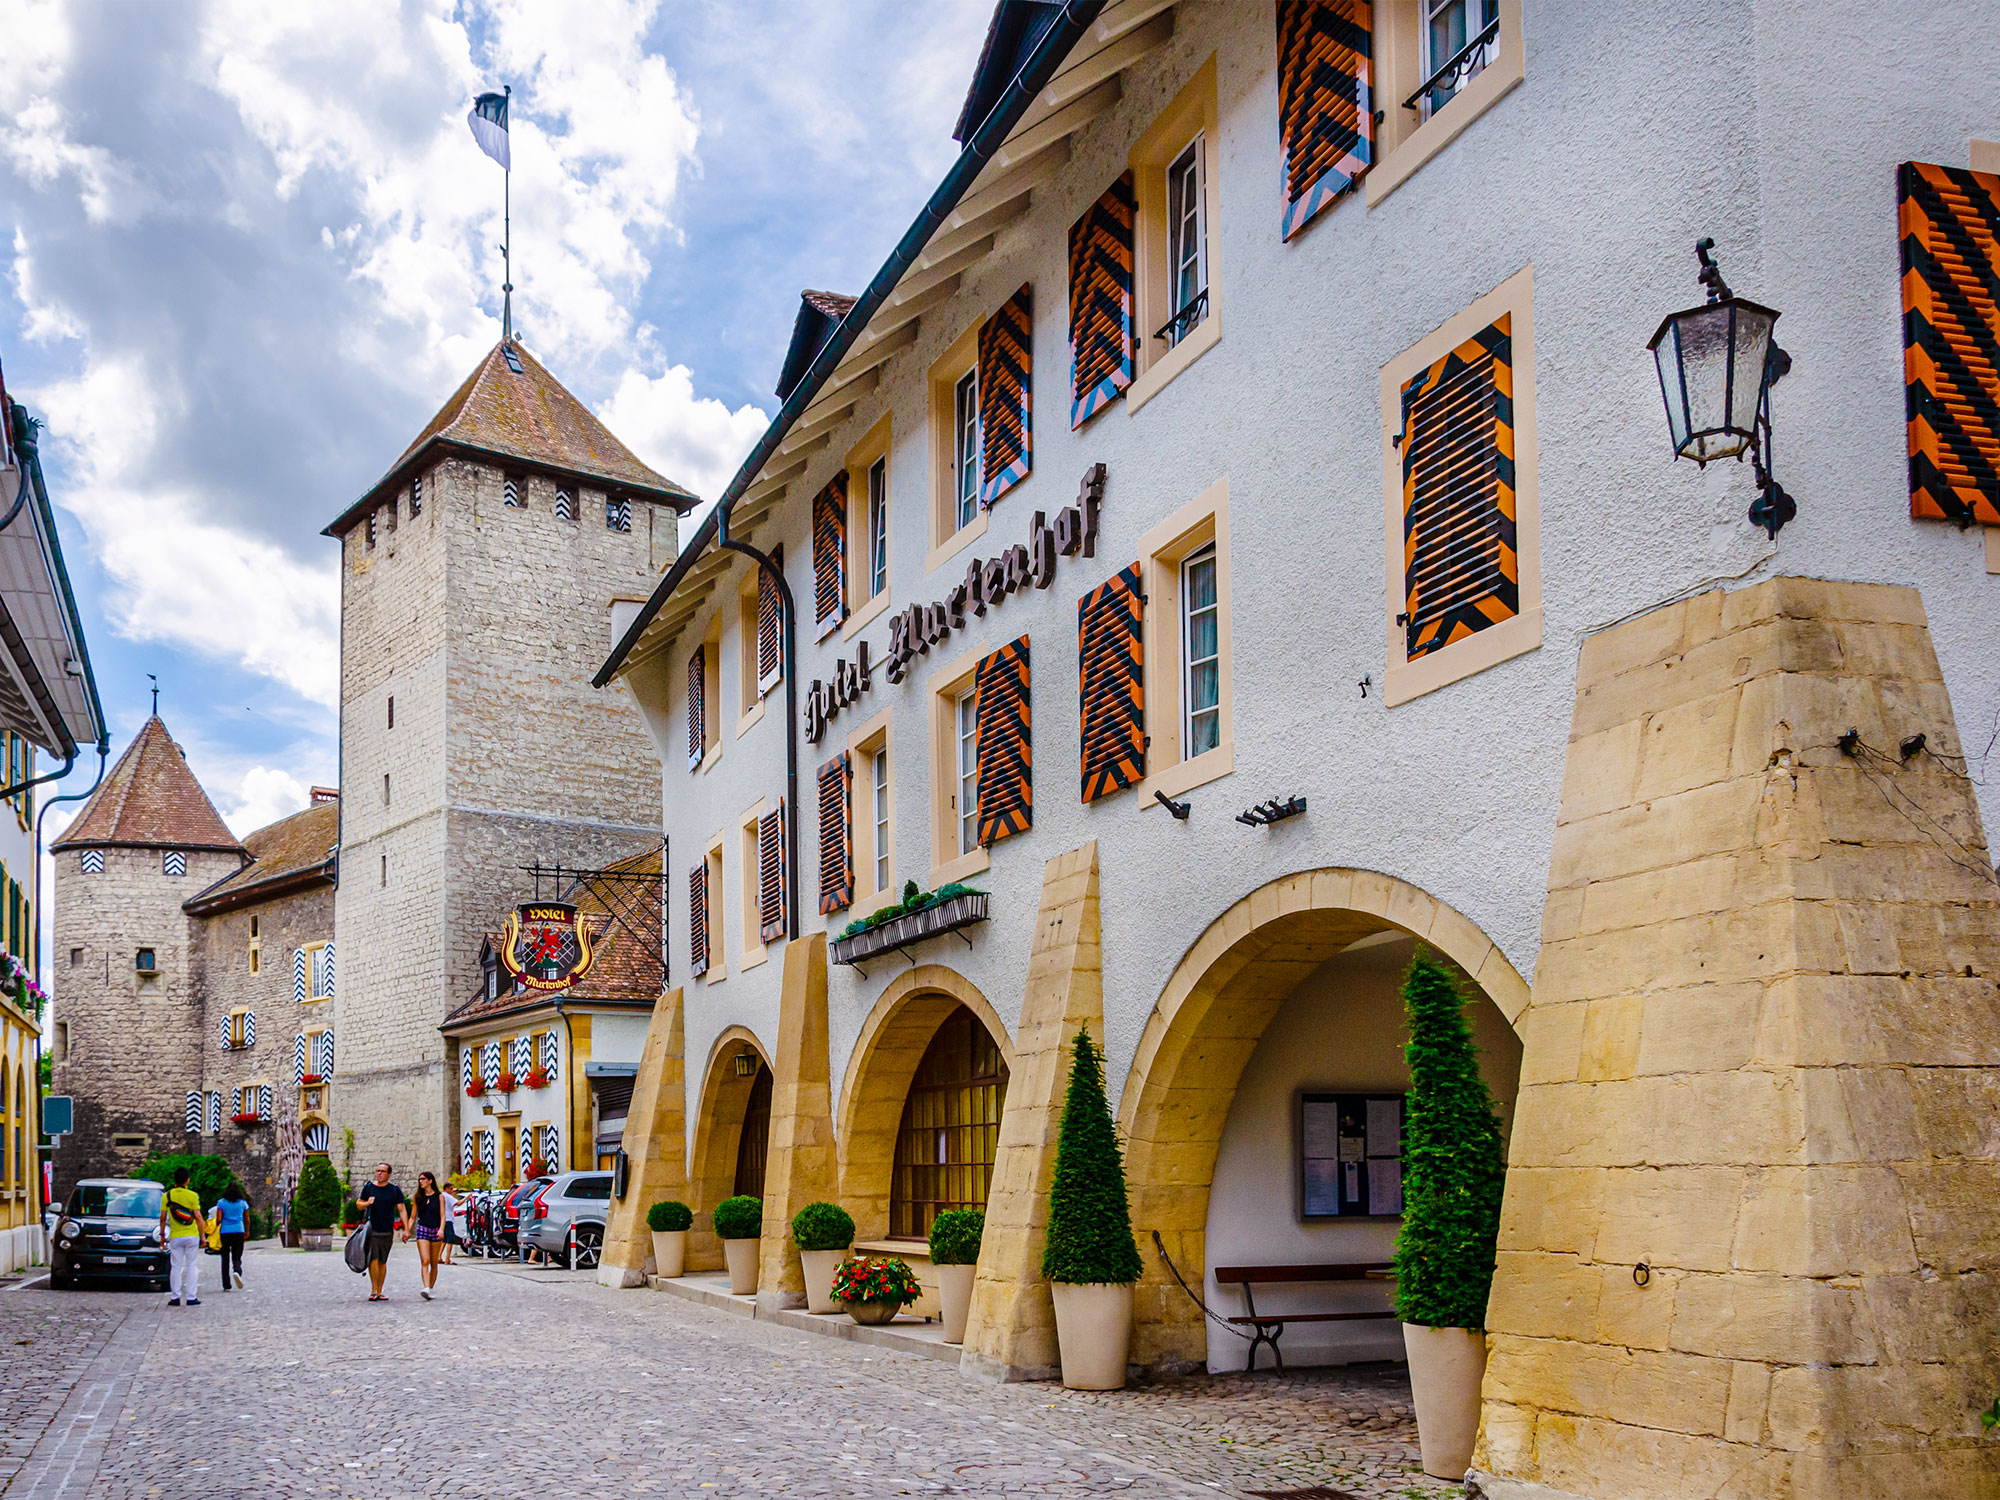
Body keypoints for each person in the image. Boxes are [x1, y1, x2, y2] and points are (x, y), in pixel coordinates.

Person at [354, 1162, 410, 1302]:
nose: (379, 1173)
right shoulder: (369, 1188)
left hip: (387, 1229)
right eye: (378, 1171)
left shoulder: (394, 1190)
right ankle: (373, 1290)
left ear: (389, 1174)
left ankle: (380, 1290)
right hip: (372, 1229)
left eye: (383, 1171)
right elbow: (358, 1204)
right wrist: (367, 1203)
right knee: (373, 1259)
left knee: (383, 1261)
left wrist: (406, 1229)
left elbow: (402, 1209)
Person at [160, 1167, 204, 1307]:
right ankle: (191, 1297)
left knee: (176, 1266)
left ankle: (175, 1297)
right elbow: (198, 1216)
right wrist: (203, 1236)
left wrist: (162, 1235)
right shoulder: (193, 1195)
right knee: (192, 1265)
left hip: (175, 1236)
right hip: (191, 1235)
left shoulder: (166, 1196)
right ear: (187, 1180)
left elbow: (162, 1218)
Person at [411, 1171, 445, 1298]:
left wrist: (441, 1229)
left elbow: (442, 1215)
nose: (421, 1181)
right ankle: (425, 1287)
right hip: (422, 1228)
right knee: (425, 1260)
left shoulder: (439, 1197)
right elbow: (413, 1217)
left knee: (434, 1262)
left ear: (430, 1181)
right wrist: (407, 1230)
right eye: (419, 1179)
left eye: (423, 1179)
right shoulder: (418, 1197)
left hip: (436, 1229)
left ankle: (430, 1288)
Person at [214, 1183, 250, 1290]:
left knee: (224, 1258)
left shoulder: (221, 1203)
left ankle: (226, 1284)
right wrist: (247, 1231)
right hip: (239, 1230)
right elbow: (247, 1219)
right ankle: (237, 1271)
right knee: (237, 1256)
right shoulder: (243, 1203)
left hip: (225, 1232)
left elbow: (219, 1219)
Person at [441, 1181, 465, 1266]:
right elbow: (458, 1203)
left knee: (444, 1239)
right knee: (450, 1240)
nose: (452, 1190)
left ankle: (439, 1257)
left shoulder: (442, 1195)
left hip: (442, 1220)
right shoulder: (447, 1196)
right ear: (447, 1188)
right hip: (448, 1220)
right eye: (451, 1189)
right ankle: (447, 1259)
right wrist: (467, 1197)